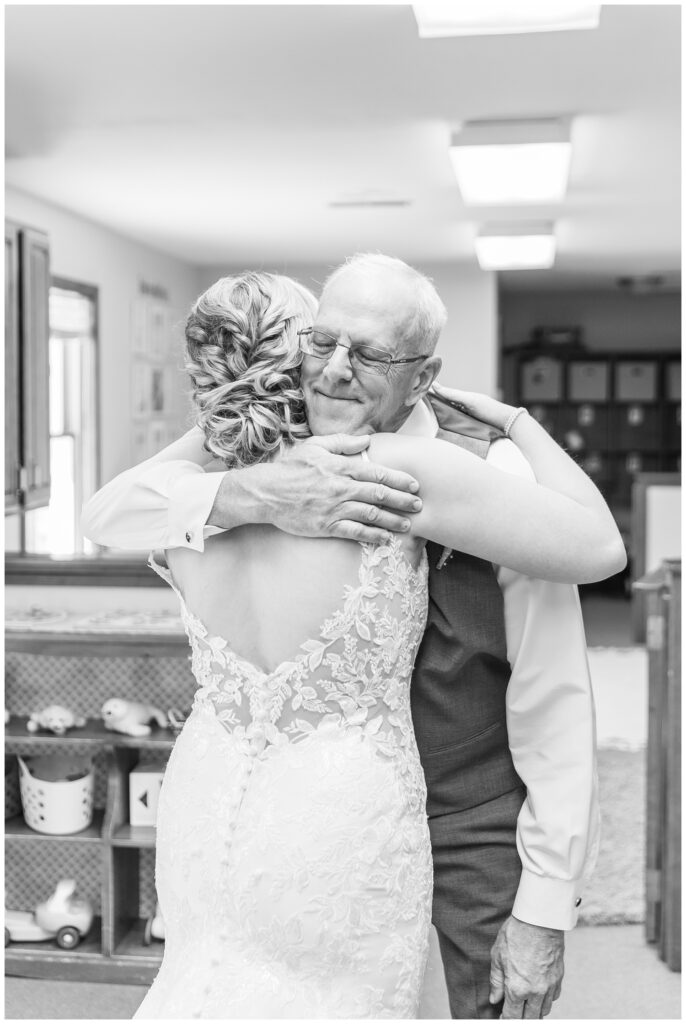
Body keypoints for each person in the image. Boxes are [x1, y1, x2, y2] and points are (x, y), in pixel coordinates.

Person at [83, 257, 623, 1019]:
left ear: (424, 373)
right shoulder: (239, 465)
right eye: (322, 342)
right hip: (287, 825)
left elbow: (555, 701)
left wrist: (547, 901)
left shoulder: (484, 467)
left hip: (457, 825)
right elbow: (109, 512)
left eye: (368, 354)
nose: (336, 371)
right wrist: (248, 494)